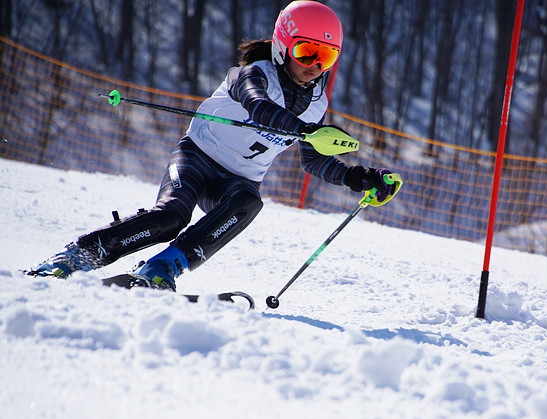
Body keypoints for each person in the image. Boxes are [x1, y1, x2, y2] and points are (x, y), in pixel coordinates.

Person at [28, 0, 395, 291]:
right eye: (306, 52)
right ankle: (75, 257)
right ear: (283, 44)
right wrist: (302, 128)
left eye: (326, 56)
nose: (315, 65)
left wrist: (358, 178)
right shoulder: (254, 73)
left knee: (249, 203)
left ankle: (161, 269)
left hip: (239, 180)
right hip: (197, 158)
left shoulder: (317, 103)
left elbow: (314, 161)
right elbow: (256, 104)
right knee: (171, 216)